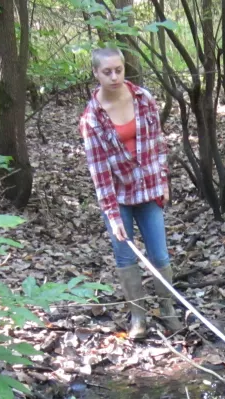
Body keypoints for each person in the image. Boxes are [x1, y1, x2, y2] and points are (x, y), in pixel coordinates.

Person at [80, 47, 181, 338]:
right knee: (126, 257)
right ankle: (138, 317)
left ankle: (168, 311)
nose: (114, 76)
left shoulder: (144, 99)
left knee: (160, 254)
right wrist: (112, 216)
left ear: (125, 69)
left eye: (118, 70)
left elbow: (158, 143)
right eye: (106, 72)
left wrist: (163, 181)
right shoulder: (92, 119)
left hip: (149, 191)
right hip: (118, 198)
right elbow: (99, 172)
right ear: (96, 74)